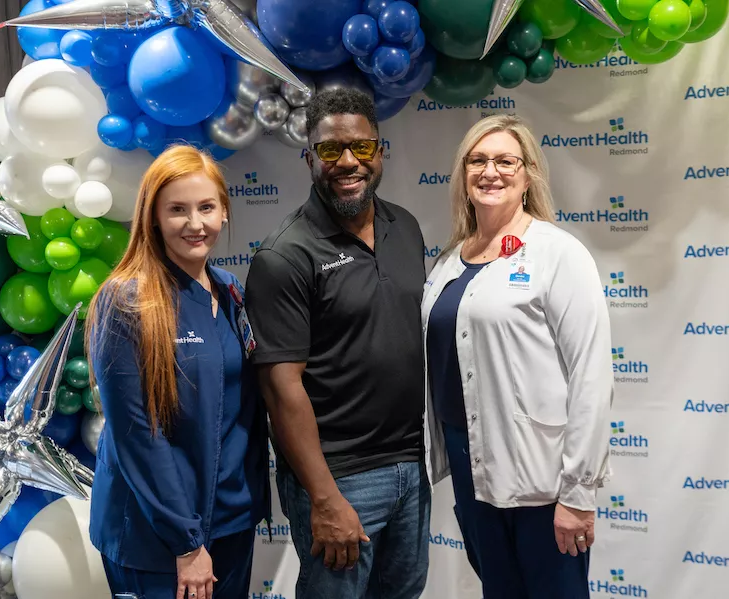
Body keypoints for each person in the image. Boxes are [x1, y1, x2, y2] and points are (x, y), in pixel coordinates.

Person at [245, 89, 431, 599]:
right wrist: (325, 500)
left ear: (380, 152)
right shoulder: (285, 256)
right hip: (338, 478)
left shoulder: (406, 228)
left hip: (410, 467)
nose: (348, 162)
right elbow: (282, 392)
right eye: (330, 151)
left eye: (361, 148)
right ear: (309, 159)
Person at [421, 114, 613, 599]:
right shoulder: (448, 262)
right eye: (478, 160)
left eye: (506, 161)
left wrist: (578, 493)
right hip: (472, 464)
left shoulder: (558, 254)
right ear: (463, 175)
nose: (491, 172)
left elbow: (590, 375)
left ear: (527, 174)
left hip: (541, 478)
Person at [86, 145, 270, 599]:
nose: (195, 224)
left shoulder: (230, 291)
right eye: (177, 210)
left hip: (230, 521)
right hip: (160, 539)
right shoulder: (127, 300)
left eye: (206, 207)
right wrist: (187, 544)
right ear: (152, 217)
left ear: (224, 212)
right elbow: (137, 434)